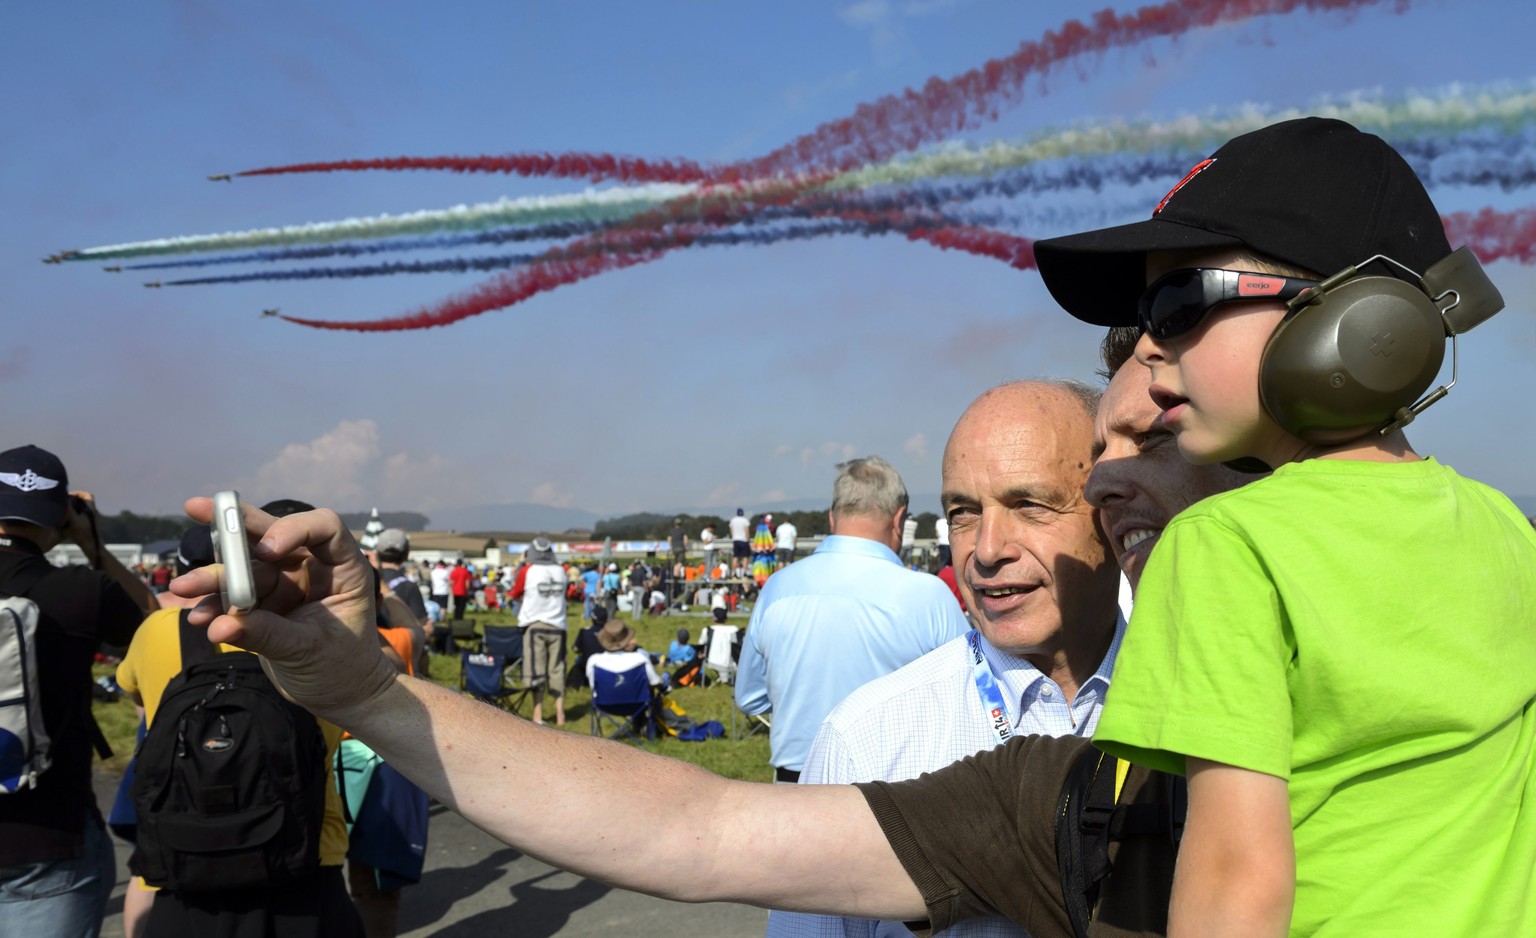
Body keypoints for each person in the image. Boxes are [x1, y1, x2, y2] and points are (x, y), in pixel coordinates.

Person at [1039, 117, 1535, 935]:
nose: (1150, 348)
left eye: (1176, 303)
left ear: (1354, 319)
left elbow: (1236, 880)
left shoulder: (1226, 546)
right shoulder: (1505, 529)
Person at [770, 380, 1125, 938]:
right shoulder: (864, 740)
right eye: (963, 513)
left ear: (1112, 509)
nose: (985, 549)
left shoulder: (1208, 698)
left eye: (1028, 505)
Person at [114, 525, 363, 938]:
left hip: (187, 866)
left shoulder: (155, 631)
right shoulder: (309, 634)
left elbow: (140, 704)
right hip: (306, 867)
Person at [735, 456, 969, 781]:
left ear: (833, 517)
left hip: (794, 788)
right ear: (898, 518)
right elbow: (973, 701)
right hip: (894, 789)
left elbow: (749, 697)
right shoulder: (929, 595)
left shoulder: (778, 588)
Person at [0, 445, 150, 938]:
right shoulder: (83, 591)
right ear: (63, 511)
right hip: (47, 835)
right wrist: (93, 544)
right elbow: (154, 626)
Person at [513, 538, 569, 727]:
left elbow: (516, 592)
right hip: (558, 624)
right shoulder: (561, 570)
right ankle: (560, 712)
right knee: (557, 668)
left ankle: (538, 712)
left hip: (535, 623)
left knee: (536, 669)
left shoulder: (528, 570)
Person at [374, 529, 429, 674]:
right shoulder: (409, 586)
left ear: (378, 553)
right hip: (403, 653)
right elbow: (422, 626)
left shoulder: (367, 579)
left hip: (370, 650)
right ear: (406, 553)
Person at [728, 507, 751, 575]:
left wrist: (733, 537)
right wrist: (748, 539)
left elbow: (731, 530)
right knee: (745, 557)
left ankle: (733, 572)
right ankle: (744, 572)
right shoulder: (745, 520)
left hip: (735, 540)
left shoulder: (733, 520)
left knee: (735, 556)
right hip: (743, 540)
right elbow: (747, 530)